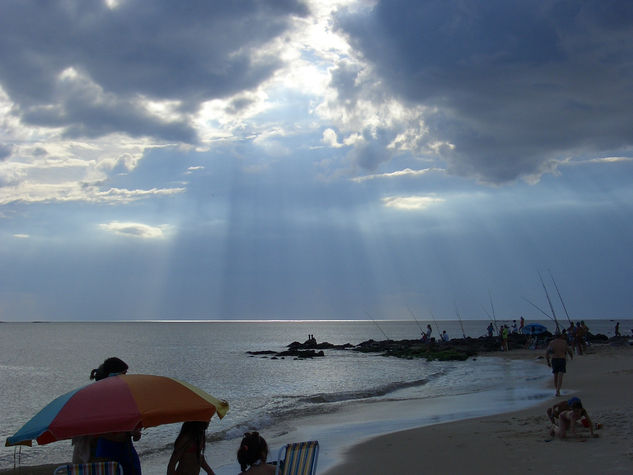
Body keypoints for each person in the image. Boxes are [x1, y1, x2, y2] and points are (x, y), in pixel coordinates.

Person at [72, 357, 132, 463]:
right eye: (124, 374)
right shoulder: (101, 402)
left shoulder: (106, 399)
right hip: (100, 457)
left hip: (109, 454)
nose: (126, 378)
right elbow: (102, 433)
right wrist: (128, 433)